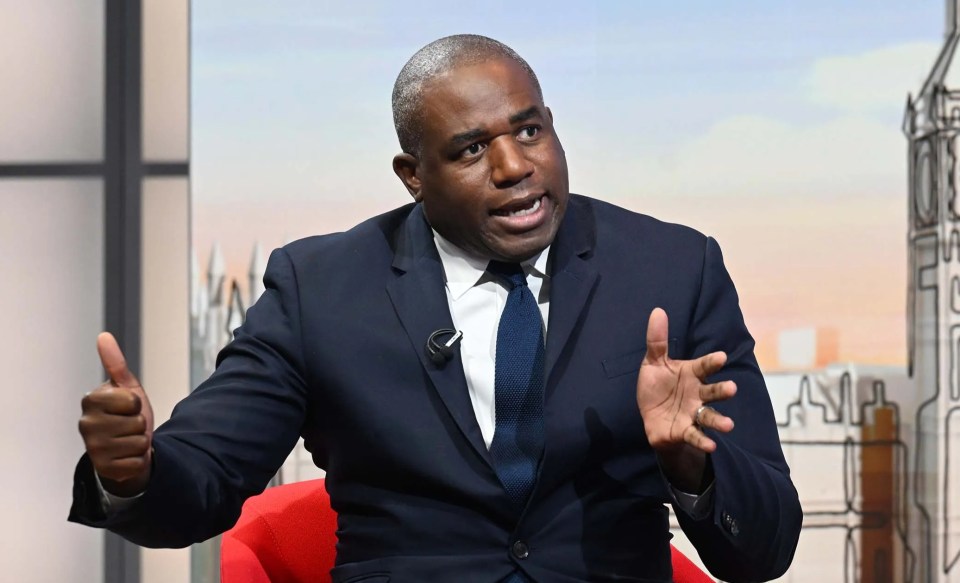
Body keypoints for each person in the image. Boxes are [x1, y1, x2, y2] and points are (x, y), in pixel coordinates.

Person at [70, 35, 801, 582]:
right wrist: (132, 472)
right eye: (472, 148)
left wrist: (689, 463)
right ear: (413, 176)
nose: (515, 166)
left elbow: (764, 548)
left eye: (528, 130)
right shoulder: (320, 288)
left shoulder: (671, 267)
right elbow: (205, 479)